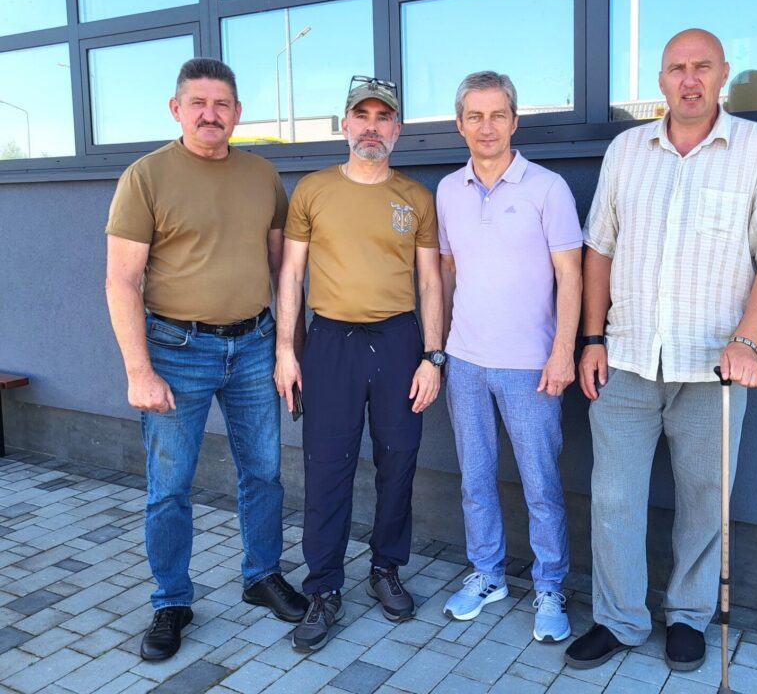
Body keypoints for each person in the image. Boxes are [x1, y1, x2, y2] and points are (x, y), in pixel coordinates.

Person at [565, 29, 757, 671]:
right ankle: (620, 620)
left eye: (702, 66)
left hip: (712, 369)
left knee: (706, 500)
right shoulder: (626, 151)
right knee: (613, 499)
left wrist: (747, 339)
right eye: (677, 68)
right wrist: (591, 338)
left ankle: (688, 616)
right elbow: (599, 251)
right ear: (661, 80)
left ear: (723, 74)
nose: (690, 79)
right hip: (625, 358)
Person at [105, 58, 307, 662]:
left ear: (238, 112)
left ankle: (261, 575)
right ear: (177, 109)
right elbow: (121, 281)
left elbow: (282, 269)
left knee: (264, 472)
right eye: (198, 103)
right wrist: (138, 370)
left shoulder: (263, 175)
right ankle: (171, 600)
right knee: (169, 487)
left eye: (222, 104)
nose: (210, 114)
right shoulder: (145, 177)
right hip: (176, 351)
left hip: (254, 345)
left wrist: (287, 347)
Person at [274, 75, 443, 653]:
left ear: (398, 128)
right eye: (362, 116)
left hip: (398, 342)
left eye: (383, 117)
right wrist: (286, 351)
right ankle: (323, 587)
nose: (372, 127)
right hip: (331, 343)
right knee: (327, 467)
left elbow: (431, 281)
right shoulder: (312, 190)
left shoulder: (416, 197)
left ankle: (386, 568)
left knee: (399, 460)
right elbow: (291, 274)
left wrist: (433, 356)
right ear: (344, 124)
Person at [436, 72, 582, 642]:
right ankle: (488, 574)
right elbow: (448, 272)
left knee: (541, 485)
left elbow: (571, 275)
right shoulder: (448, 190)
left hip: (531, 366)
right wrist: (439, 348)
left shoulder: (548, 188)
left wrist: (563, 352)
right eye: (475, 116)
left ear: (515, 121)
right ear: (460, 124)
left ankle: (550, 585)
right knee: (475, 479)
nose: (487, 126)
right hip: (465, 362)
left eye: (498, 115)